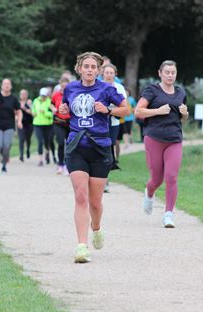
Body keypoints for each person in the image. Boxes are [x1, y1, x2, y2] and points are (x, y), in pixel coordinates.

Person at [59, 52, 129, 263]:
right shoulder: (70, 88)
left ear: (98, 70)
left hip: (100, 148)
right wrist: (62, 109)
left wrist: (108, 109)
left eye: (93, 67)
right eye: (86, 66)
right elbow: (65, 108)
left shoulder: (108, 89)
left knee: (95, 202)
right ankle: (81, 246)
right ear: (79, 69)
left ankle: (96, 228)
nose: (89, 70)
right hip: (76, 146)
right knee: (81, 196)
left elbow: (126, 110)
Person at [134, 60, 189, 228]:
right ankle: (149, 192)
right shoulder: (152, 91)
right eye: (167, 72)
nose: (170, 75)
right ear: (160, 73)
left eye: (173, 72)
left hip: (174, 139)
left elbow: (182, 117)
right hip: (154, 138)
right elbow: (138, 111)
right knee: (156, 180)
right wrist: (157, 111)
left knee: (171, 176)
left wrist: (185, 114)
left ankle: (168, 214)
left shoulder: (180, 93)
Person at [102, 63, 127, 193]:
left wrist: (111, 109)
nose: (109, 75)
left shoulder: (119, 88)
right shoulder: (97, 86)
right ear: (103, 74)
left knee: (108, 148)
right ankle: (99, 179)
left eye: (112, 73)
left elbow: (125, 107)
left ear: (115, 74)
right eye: (107, 72)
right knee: (100, 148)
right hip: (100, 123)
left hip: (114, 123)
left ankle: (105, 178)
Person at [0, 78, 23, 173]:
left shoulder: (13, 99)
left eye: (8, 84)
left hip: (9, 125)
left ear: (11, 86)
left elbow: (19, 111)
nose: (6, 85)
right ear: (1, 86)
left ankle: (4, 165)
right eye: (4, 84)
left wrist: (19, 121)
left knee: (6, 147)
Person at [51, 77, 71, 175]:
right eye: (62, 87)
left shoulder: (72, 94)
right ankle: (60, 164)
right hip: (58, 122)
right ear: (60, 85)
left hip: (70, 122)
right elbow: (51, 104)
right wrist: (53, 108)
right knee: (60, 143)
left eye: (65, 87)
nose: (63, 89)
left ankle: (68, 165)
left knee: (69, 144)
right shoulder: (56, 95)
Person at [32, 87, 54, 166]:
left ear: (47, 96)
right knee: (40, 142)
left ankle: (47, 154)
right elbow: (33, 109)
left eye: (44, 96)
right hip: (37, 124)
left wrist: (44, 112)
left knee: (46, 142)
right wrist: (33, 112)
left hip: (48, 124)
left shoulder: (50, 102)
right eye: (42, 96)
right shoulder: (35, 101)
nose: (43, 97)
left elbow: (52, 114)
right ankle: (40, 160)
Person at [18, 89, 34, 162]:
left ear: (27, 95)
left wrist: (24, 107)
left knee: (28, 139)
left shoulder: (29, 102)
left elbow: (32, 112)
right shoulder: (18, 103)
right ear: (20, 95)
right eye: (22, 94)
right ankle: (21, 155)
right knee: (21, 139)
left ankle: (27, 149)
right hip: (21, 123)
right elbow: (15, 112)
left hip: (29, 123)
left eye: (25, 94)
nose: (23, 95)